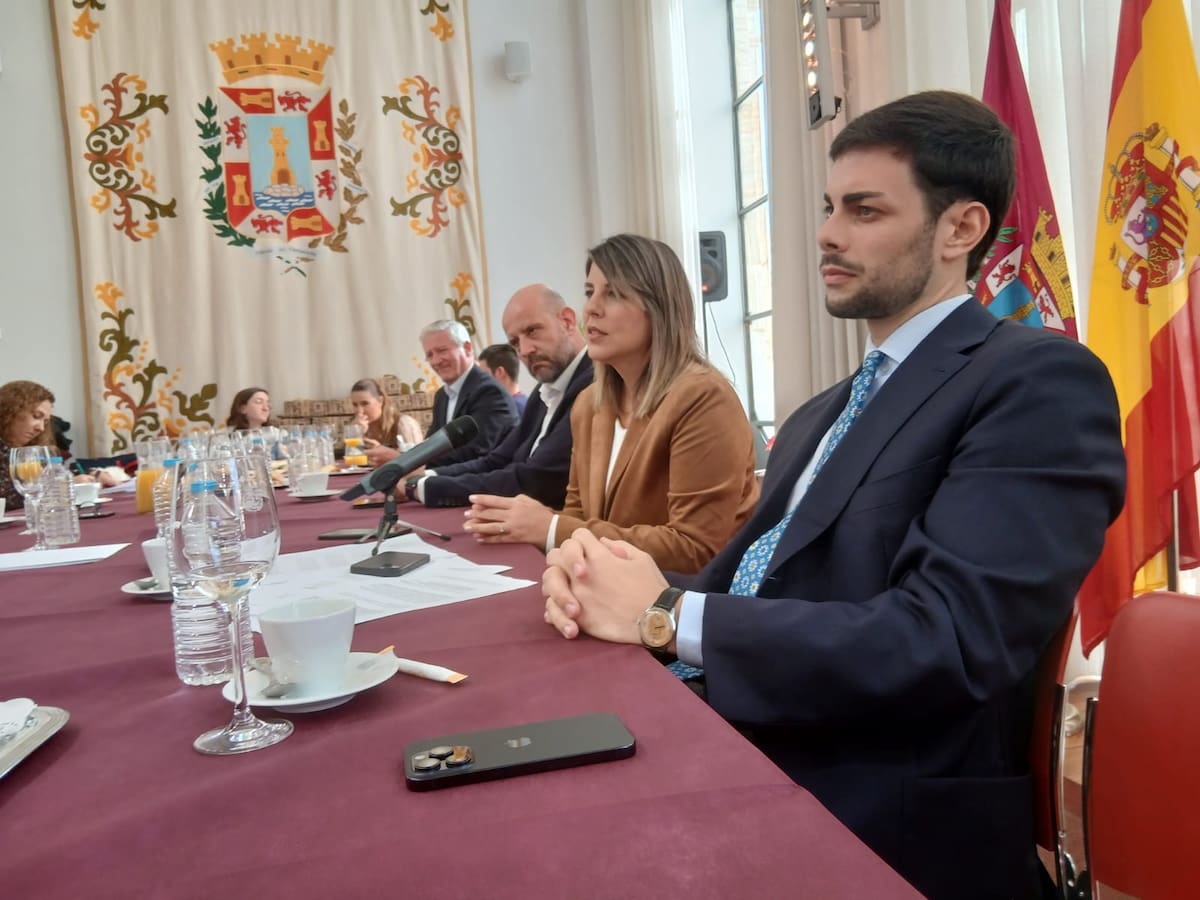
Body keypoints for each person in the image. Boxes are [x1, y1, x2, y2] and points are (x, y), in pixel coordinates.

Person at [540, 92, 1126, 900]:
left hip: (875, 800)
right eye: (827, 207)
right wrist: (600, 579)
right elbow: (751, 585)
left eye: (864, 210)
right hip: (743, 732)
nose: (826, 233)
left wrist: (667, 616)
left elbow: (948, 639)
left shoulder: (1036, 382)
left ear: (961, 229)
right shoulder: (824, 411)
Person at [464, 234, 759, 574]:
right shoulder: (589, 405)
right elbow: (578, 515)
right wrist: (561, 562)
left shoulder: (704, 398)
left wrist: (550, 528)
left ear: (658, 306)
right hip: (608, 588)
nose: (591, 308)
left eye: (613, 293)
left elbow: (695, 550)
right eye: (590, 292)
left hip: (684, 598)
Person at [403, 285, 592, 508]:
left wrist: (425, 488)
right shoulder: (543, 393)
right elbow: (497, 460)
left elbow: (539, 480)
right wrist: (427, 477)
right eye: (515, 342)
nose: (525, 350)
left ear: (567, 321)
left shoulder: (594, 386)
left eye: (532, 331)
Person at [421, 319, 518, 466]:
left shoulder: (489, 392)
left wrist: (415, 462)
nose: (436, 361)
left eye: (442, 350)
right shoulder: (442, 396)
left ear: (467, 348)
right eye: (429, 355)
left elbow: (475, 452)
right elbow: (431, 444)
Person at [0, 380, 99, 508]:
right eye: (36, 416)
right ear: (9, 411)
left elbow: (52, 474)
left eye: (45, 422)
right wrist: (62, 487)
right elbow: (7, 498)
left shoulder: (26, 451)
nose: (41, 428)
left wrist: (94, 474)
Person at [350, 377, 424, 467]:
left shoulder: (404, 423)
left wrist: (382, 451)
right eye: (355, 405)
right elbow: (352, 463)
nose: (359, 411)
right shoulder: (357, 425)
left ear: (380, 401)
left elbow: (417, 461)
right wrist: (356, 434)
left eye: (365, 404)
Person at [477, 343, 527, 415]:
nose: (480, 381)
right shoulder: (525, 403)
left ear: (499, 372)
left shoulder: (508, 410)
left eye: (484, 374)